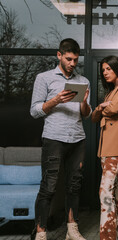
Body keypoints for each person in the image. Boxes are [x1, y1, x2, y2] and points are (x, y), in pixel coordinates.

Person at [30, 38, 91, 240]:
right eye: (69, 59)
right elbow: (34, 111)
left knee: (74, 185)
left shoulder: (83, 81)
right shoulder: (44, 78)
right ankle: (41, 232)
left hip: (77, 138)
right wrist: (55, 100)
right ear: (59, 55)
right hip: (53, 138)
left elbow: (86, 114)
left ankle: (72, 229)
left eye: (75, 60)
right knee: (49, 185)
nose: (73, 63)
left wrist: (83, 102)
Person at [91, 56, 118, 240]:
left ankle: (108, 237)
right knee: (114, 190)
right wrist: (102, 106)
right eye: (103, 70)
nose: (105, 73)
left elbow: (114, 109)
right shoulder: (110, 92)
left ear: (117, 68)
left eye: (108, 68)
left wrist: (103, 108)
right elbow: (95, 117)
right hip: (106, 146)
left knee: (104, 190)